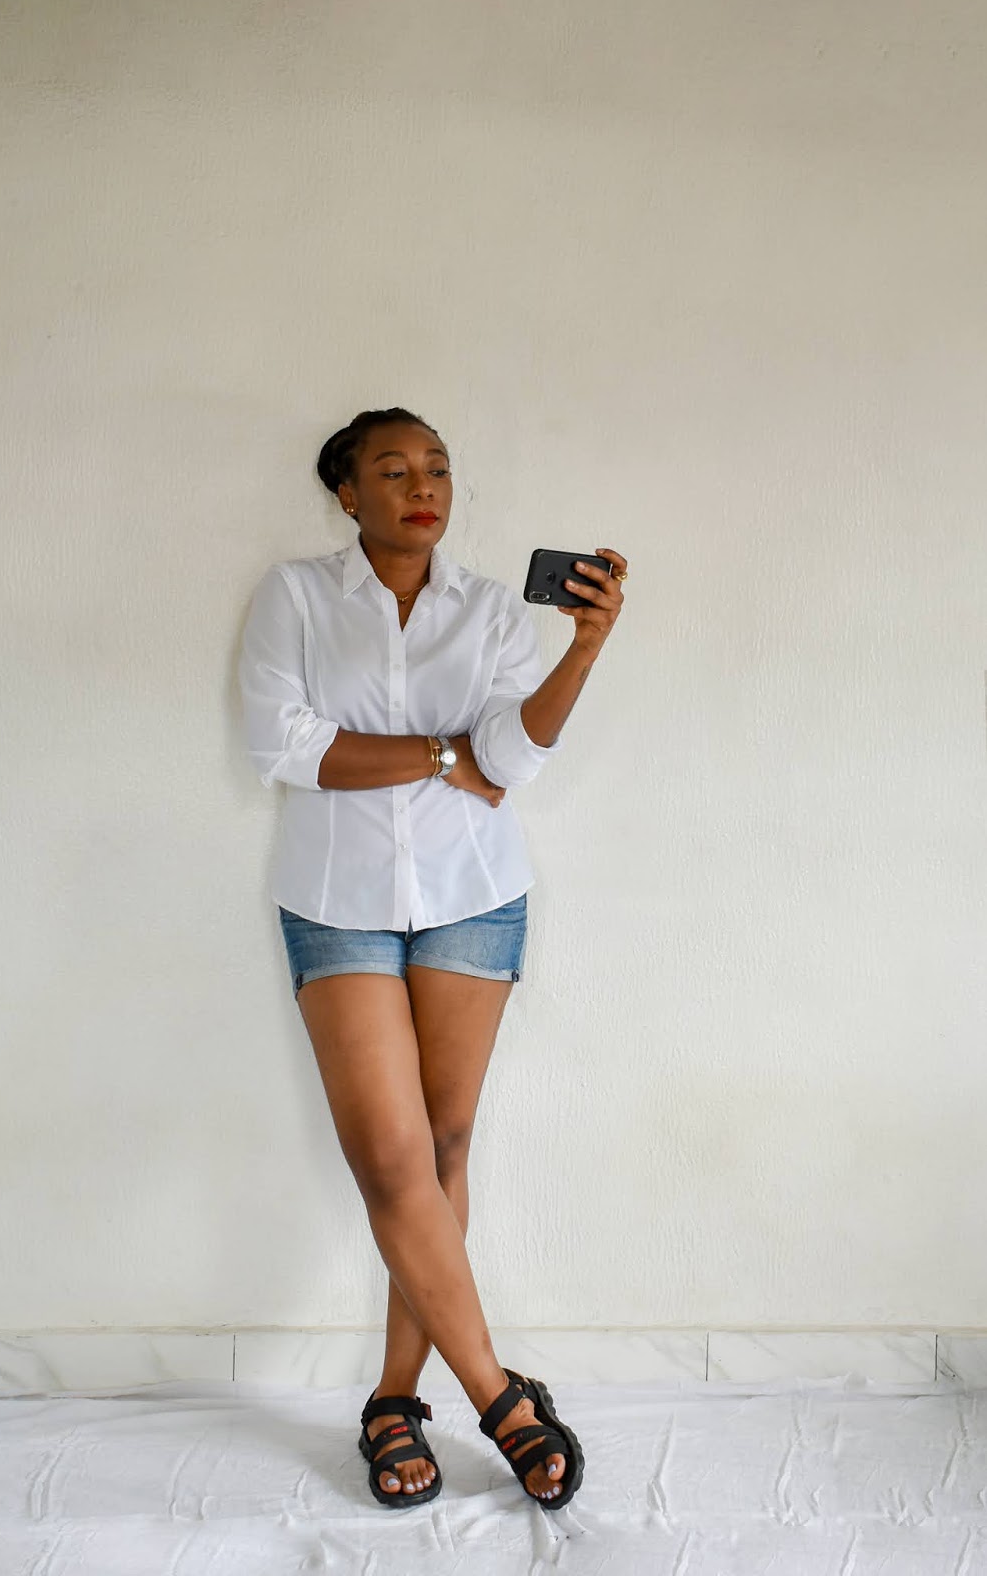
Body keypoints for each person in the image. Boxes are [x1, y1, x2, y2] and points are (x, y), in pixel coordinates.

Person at [237, 407, 626, 1511]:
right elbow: (286, 746)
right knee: (392, 1163)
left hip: (472, 896)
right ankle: (501, 1398)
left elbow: (513, 760)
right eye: (394, 468)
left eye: (439, 468)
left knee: (446, 1148)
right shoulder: (294, 597)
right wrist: (449, 753)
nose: (423, 487)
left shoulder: (494, 610)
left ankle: (394, 1400)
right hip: (336, 902)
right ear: (347, 492)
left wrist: (581, 650)